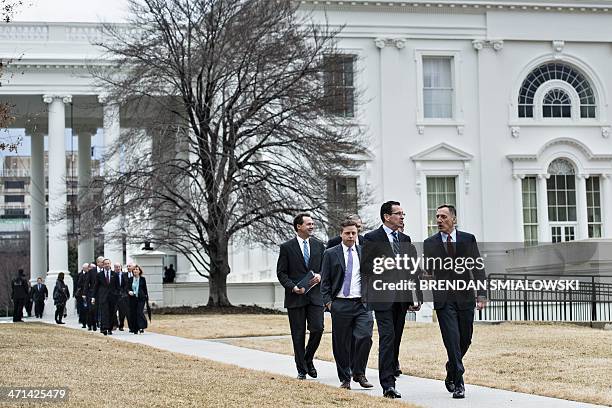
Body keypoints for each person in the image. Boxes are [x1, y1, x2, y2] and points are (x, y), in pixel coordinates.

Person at [423, 204, 487, 399]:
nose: (439, 220)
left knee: (465, 339)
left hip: (465, 297)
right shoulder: (430, 242)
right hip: (444, 300)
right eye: (437, 217)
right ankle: (459, 383)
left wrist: (482, 294)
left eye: (443, 216)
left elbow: (477, 267)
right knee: (451, 340)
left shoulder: (468, 239)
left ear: (454, 219)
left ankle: (451, 367)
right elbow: (428, 270)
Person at [360, 201, 422, 398]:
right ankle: (388, 384)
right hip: (382, 297)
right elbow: (366, 267)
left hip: (402, 297)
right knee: (387, 337)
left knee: (395, 338)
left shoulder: (405, 238)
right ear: (387, 216)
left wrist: (416, 296)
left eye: (403, 213)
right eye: (398, 213)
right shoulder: (372, 238)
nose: (402, 217)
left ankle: (392, 369)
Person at [320, 219, 373, 390]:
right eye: (347, 233)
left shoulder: (365, 252)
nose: (351, 236)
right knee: (341, 344)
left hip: (362, 304)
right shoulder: (330, 253)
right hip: (340, 304)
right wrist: (329, 303)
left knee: (365, 337)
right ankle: (345, 378)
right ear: (341, 234)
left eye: (353, 233)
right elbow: (325, 282)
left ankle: (359, 372)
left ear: (357, 234)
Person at [276, 213, 325, 380]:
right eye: (308, 224)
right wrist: (292, 287)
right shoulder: (286, 247)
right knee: (298, 334)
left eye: (313, 224)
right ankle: (301, 369)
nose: (312, 226)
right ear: (298, 226)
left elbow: (325, 268)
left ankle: (308, 358)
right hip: (295, 297)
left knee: (318, 329)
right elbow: (281, 273)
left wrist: (320, 276)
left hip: (315, 297)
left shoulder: (319, 245)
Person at [92, 258, 117, 335]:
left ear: (110, 264)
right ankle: (104, 328)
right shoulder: (99, 275)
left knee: (112, 312)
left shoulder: (114, 274)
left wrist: (117, 294)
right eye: (105, 264)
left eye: (108, 263)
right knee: (104, 312)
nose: (107, 265)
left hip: (112, 297)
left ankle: (110, 328)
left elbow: (117, 286)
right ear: (103, 265)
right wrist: (93, 297)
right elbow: (96, 286)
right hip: (103, 297)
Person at [127, 264, 149, 334]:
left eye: (137, 269)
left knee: (139, 312)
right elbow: (127, 288)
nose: (135, 270)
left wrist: (146, 297)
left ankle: (142, 326)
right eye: (134, 269)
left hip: (141, 298)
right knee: (133, 313)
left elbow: (145, 289)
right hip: (132, 298)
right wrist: (129, 291)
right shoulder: (130, 279)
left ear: (139, 271)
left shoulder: (143, 279)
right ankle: (135, 328)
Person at [114, 263, 129, 331]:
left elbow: (127, 284)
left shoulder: (125, 275)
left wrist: (124, 292)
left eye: (119, 267)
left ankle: (121, 325)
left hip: (123, 295)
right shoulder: (112, 275)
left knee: (122, 312)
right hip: (114, 295)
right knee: (113, 310)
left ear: (121, 267)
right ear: (114, 268)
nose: (118, 268)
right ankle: (115, 324)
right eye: (116, 267)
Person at [75, 263, 90, 328]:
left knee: (88, 308)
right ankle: (83, 321)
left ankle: (87, 321)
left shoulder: (89, 274)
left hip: (88, 293)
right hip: (82, 294)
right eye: (87, 268)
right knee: (82, 308)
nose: (88, 269)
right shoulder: (80, 275)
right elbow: (77, 284)